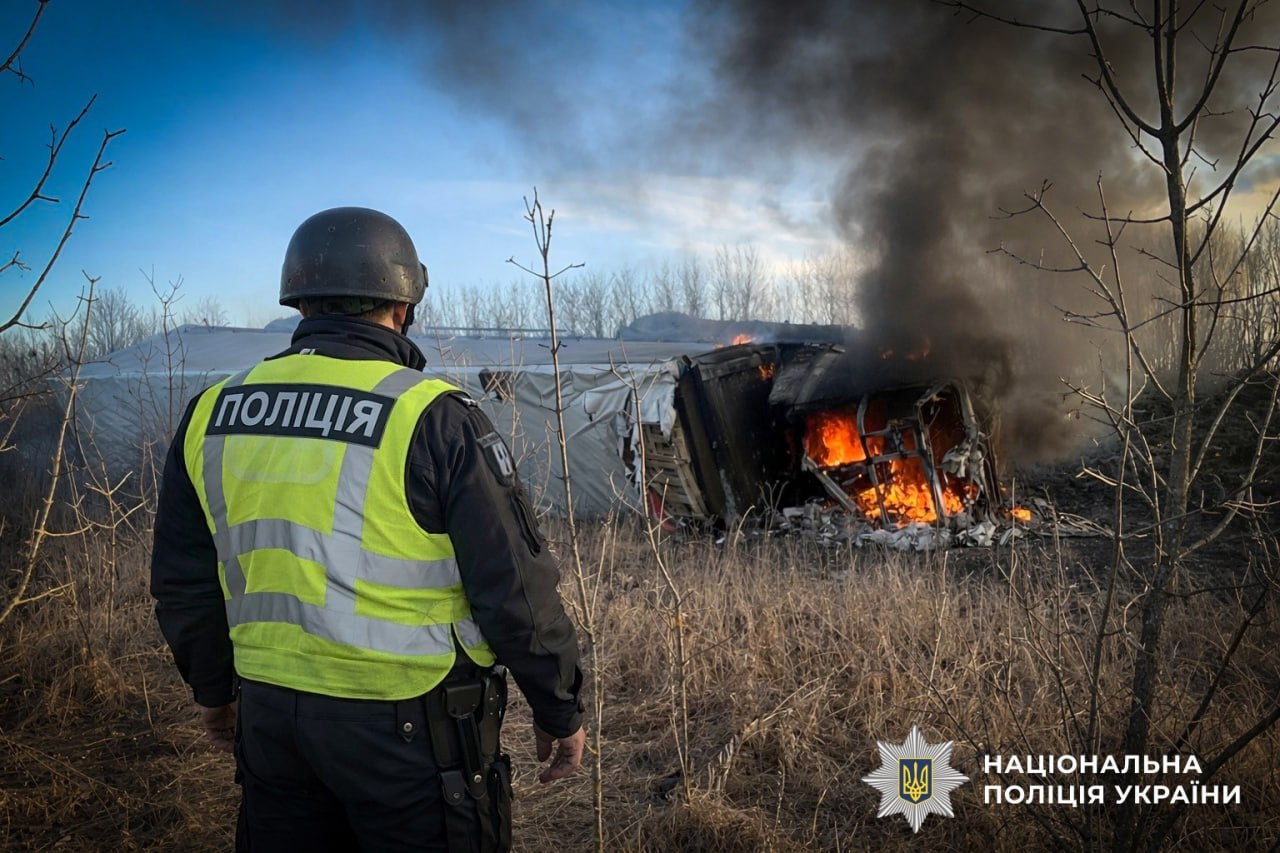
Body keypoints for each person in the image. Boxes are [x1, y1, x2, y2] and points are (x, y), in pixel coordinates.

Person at [150, 206, 586, 852]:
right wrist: (559, 706)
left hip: (271, 725)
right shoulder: (432, 417)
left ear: (300, 304)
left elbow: (183, 579)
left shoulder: (212, 413)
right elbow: (513, 584)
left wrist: (215, 690)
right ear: (402, 308)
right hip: (413, 741)